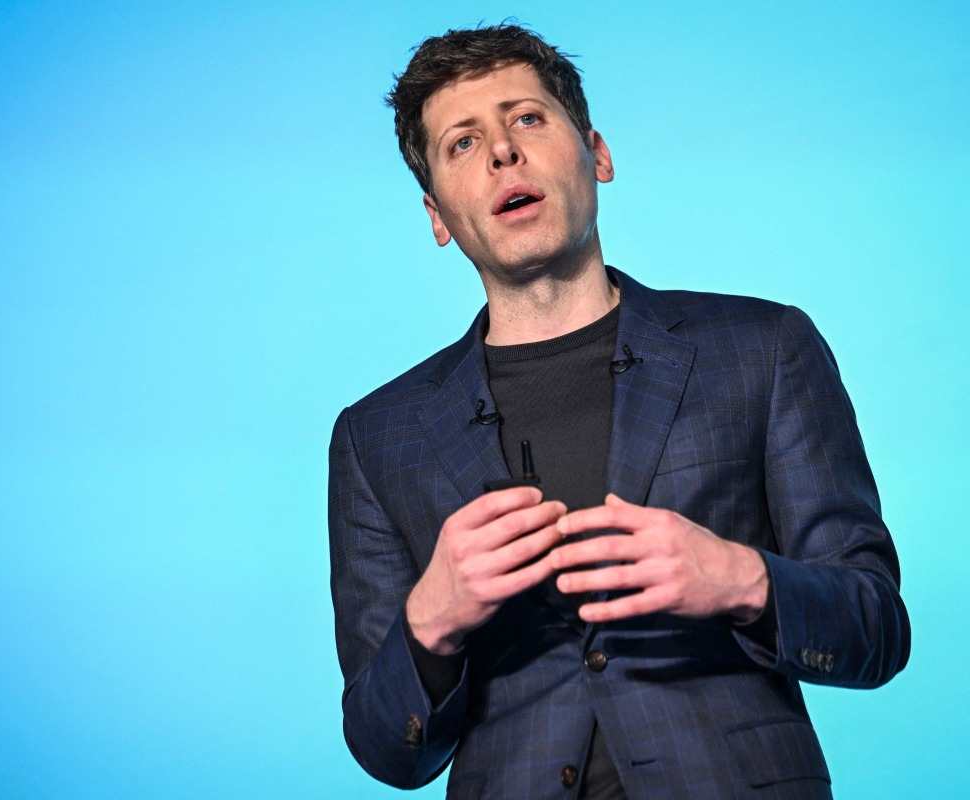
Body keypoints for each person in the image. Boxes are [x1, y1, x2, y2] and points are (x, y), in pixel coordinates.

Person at [328, 24, 909, 799]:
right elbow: (386, 751)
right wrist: (430, 622)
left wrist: (739, 578)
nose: (503, 151)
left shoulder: (766, 348)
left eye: (527, 118)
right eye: (463, 143)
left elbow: (876, 629)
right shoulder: (375, 437)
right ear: (437, 215)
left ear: (597, 155)